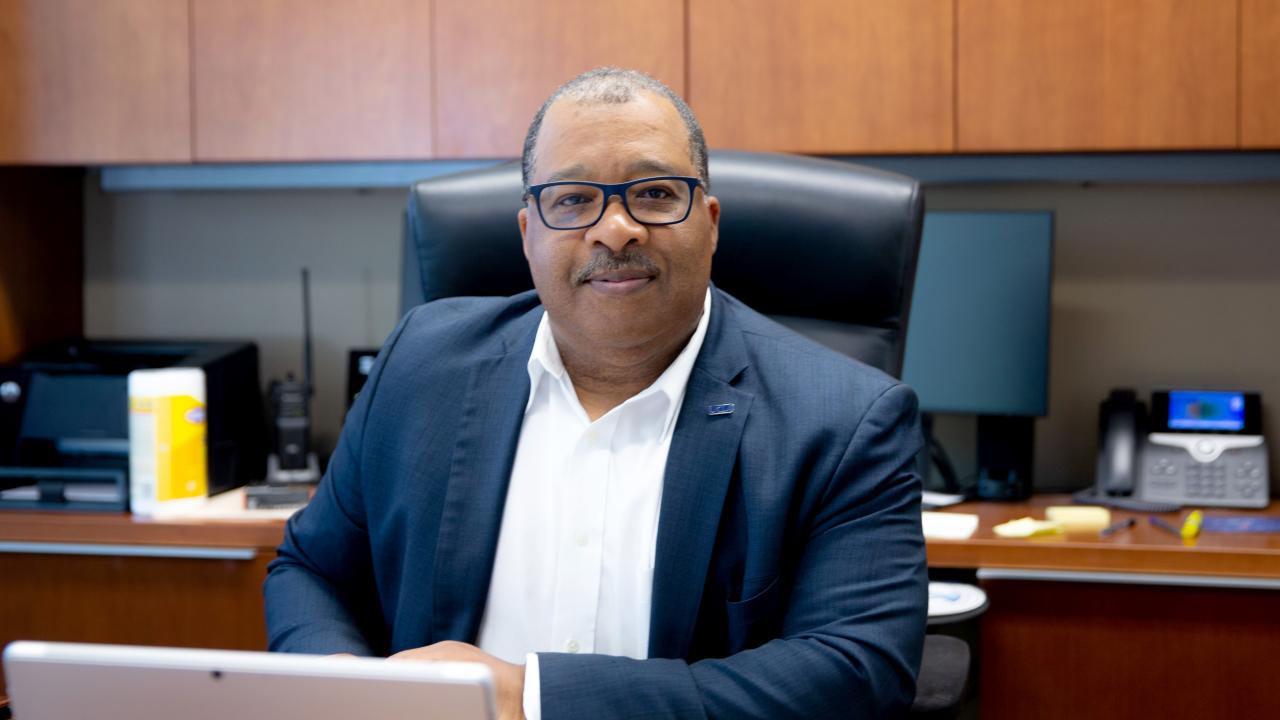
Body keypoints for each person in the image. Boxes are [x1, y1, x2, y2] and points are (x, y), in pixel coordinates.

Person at [265, 67, 927, 719]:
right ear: (528, 233)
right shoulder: (421, 365)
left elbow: (857, 671)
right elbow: (312, 571)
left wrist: (532, 700)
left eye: (657, 193)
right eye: (574, 199)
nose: (616, 229)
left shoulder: (845, 422)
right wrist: (342, 685)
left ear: (712, 223)